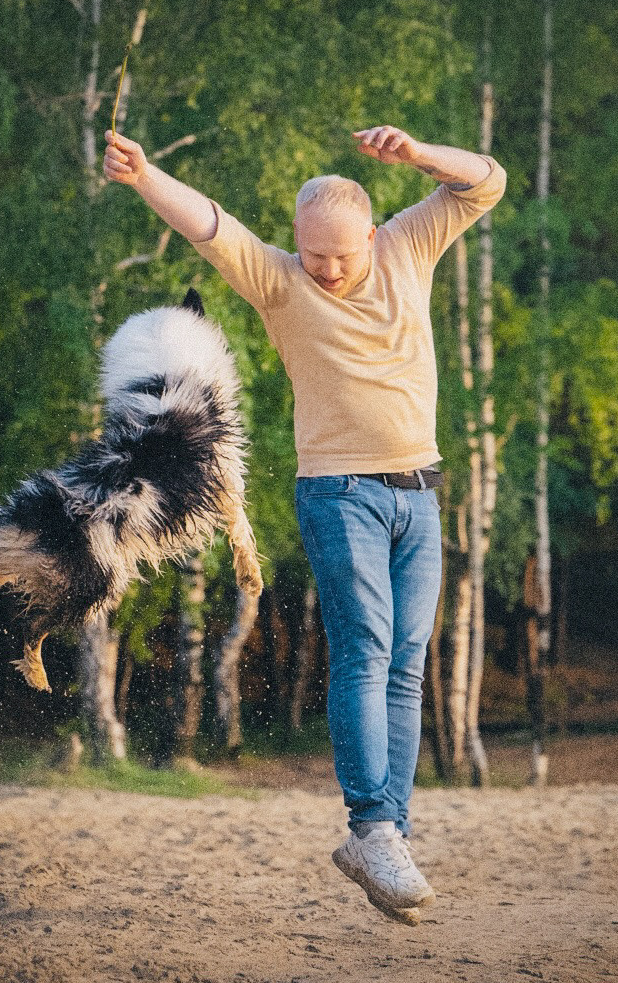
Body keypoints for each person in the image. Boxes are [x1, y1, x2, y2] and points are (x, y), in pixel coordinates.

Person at [103, 124, 506, 925]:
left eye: (341, 254)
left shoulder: (409, 246)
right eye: (314, 252)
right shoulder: (282, 282)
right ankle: (372, 824)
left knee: (407, 665)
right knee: (366, 648)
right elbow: (209, 224)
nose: (327, 267)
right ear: (296, 240)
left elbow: (487, 180)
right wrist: (145, 175)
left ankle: (388, 837)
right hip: (339, 492)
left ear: (373, 234)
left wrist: (419, 154)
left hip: (420, 491)